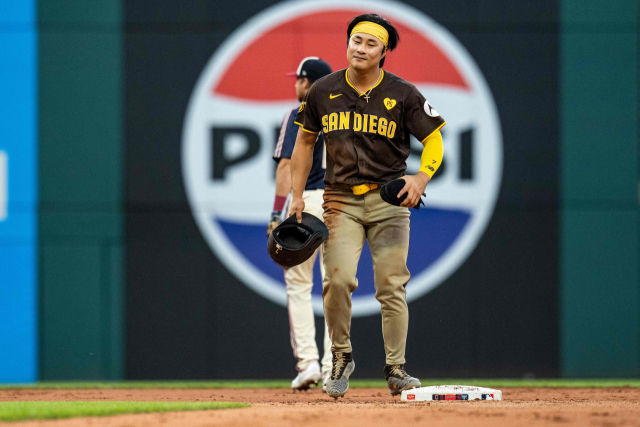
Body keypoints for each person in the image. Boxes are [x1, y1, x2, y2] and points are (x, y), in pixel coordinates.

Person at [290, 14, 446, 399]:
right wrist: (295, 195)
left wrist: (421, 177)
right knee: (338, 280)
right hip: (340, 199)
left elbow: (435, 140)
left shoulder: (403, 93)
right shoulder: (322, 91)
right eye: (355, 40)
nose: (360, 48)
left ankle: (396, 368)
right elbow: (305, 144)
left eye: (370, 43)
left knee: (391, 285)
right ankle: (341, 358)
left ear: (384, 52)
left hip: (388, 200)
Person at [268, 57, 334, 392]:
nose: (296, 84)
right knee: (334, 286)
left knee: (298, 286)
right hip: (339, 204)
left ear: (308, 83)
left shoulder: (297, 115)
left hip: (303, 202)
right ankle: (332, 366)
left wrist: (276, 213)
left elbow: (286, 168)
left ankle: (308, 364)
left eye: (299, 79)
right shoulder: (343, 116)